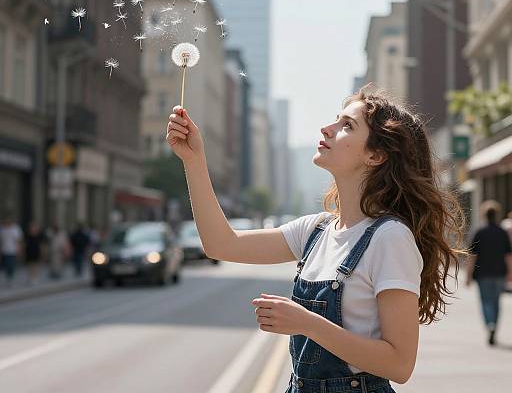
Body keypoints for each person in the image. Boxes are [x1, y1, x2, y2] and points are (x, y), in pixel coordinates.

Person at [166, 84, 469, 391]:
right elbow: (221, 245)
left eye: (346, 125)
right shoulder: (316, 230)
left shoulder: (390, 238)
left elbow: (399, 364)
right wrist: (193, 161)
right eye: (337, 119)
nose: (327, 128)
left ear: (376, 155)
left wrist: (306, 323)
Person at [466, 200, 512, 345]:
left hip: (482, 274)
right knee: (496, 301)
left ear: (484, 215)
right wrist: (510, 272)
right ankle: (494, 326)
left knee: (486, 301)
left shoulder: (479, 232)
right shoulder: (502, 232)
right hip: (499, 272)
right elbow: (508, 255)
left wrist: (468, 275)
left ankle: (489, 325)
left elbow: (472, 256)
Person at [0, 213, 23, 287]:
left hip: (13, 250)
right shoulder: (2, 229)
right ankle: (8, 278)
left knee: (11, 264)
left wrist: (19, 249)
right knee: (6, 265)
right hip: (4, 250)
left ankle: (11, 278)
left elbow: (18, 240)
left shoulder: (15, 228)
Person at [23, 221, 46, 285]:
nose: (33, 228)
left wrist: (43, 252)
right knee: (30, 265)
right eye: (32, 227)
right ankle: (30, 277)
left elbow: (42, 245)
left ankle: (35, 277)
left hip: (37, 252)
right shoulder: (27, 235)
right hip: (29, 252)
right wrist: (23, 251)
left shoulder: (40, 236)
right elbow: (24, 244)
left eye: (34, 227)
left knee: (36, 265)